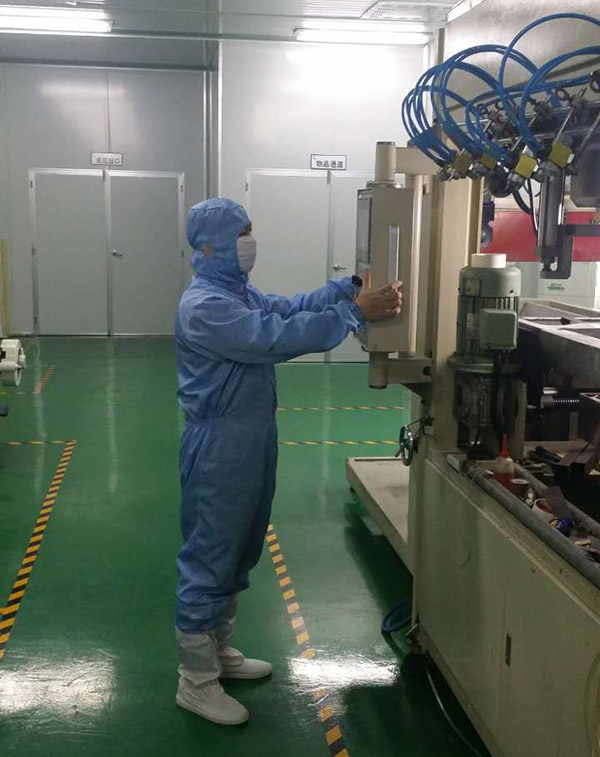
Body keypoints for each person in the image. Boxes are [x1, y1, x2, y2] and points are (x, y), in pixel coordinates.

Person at [175, 197, 402, 726]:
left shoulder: (237, 292)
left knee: (240, 548)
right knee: (211, 554)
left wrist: (347, 287)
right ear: (211, 247)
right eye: (242, 234)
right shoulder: (204, 305)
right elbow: (273, 337)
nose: (250, 242)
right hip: (219, 445)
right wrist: (353, 313)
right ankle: (196, 680)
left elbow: (288, 308)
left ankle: (219, 653)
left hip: (251, 438)